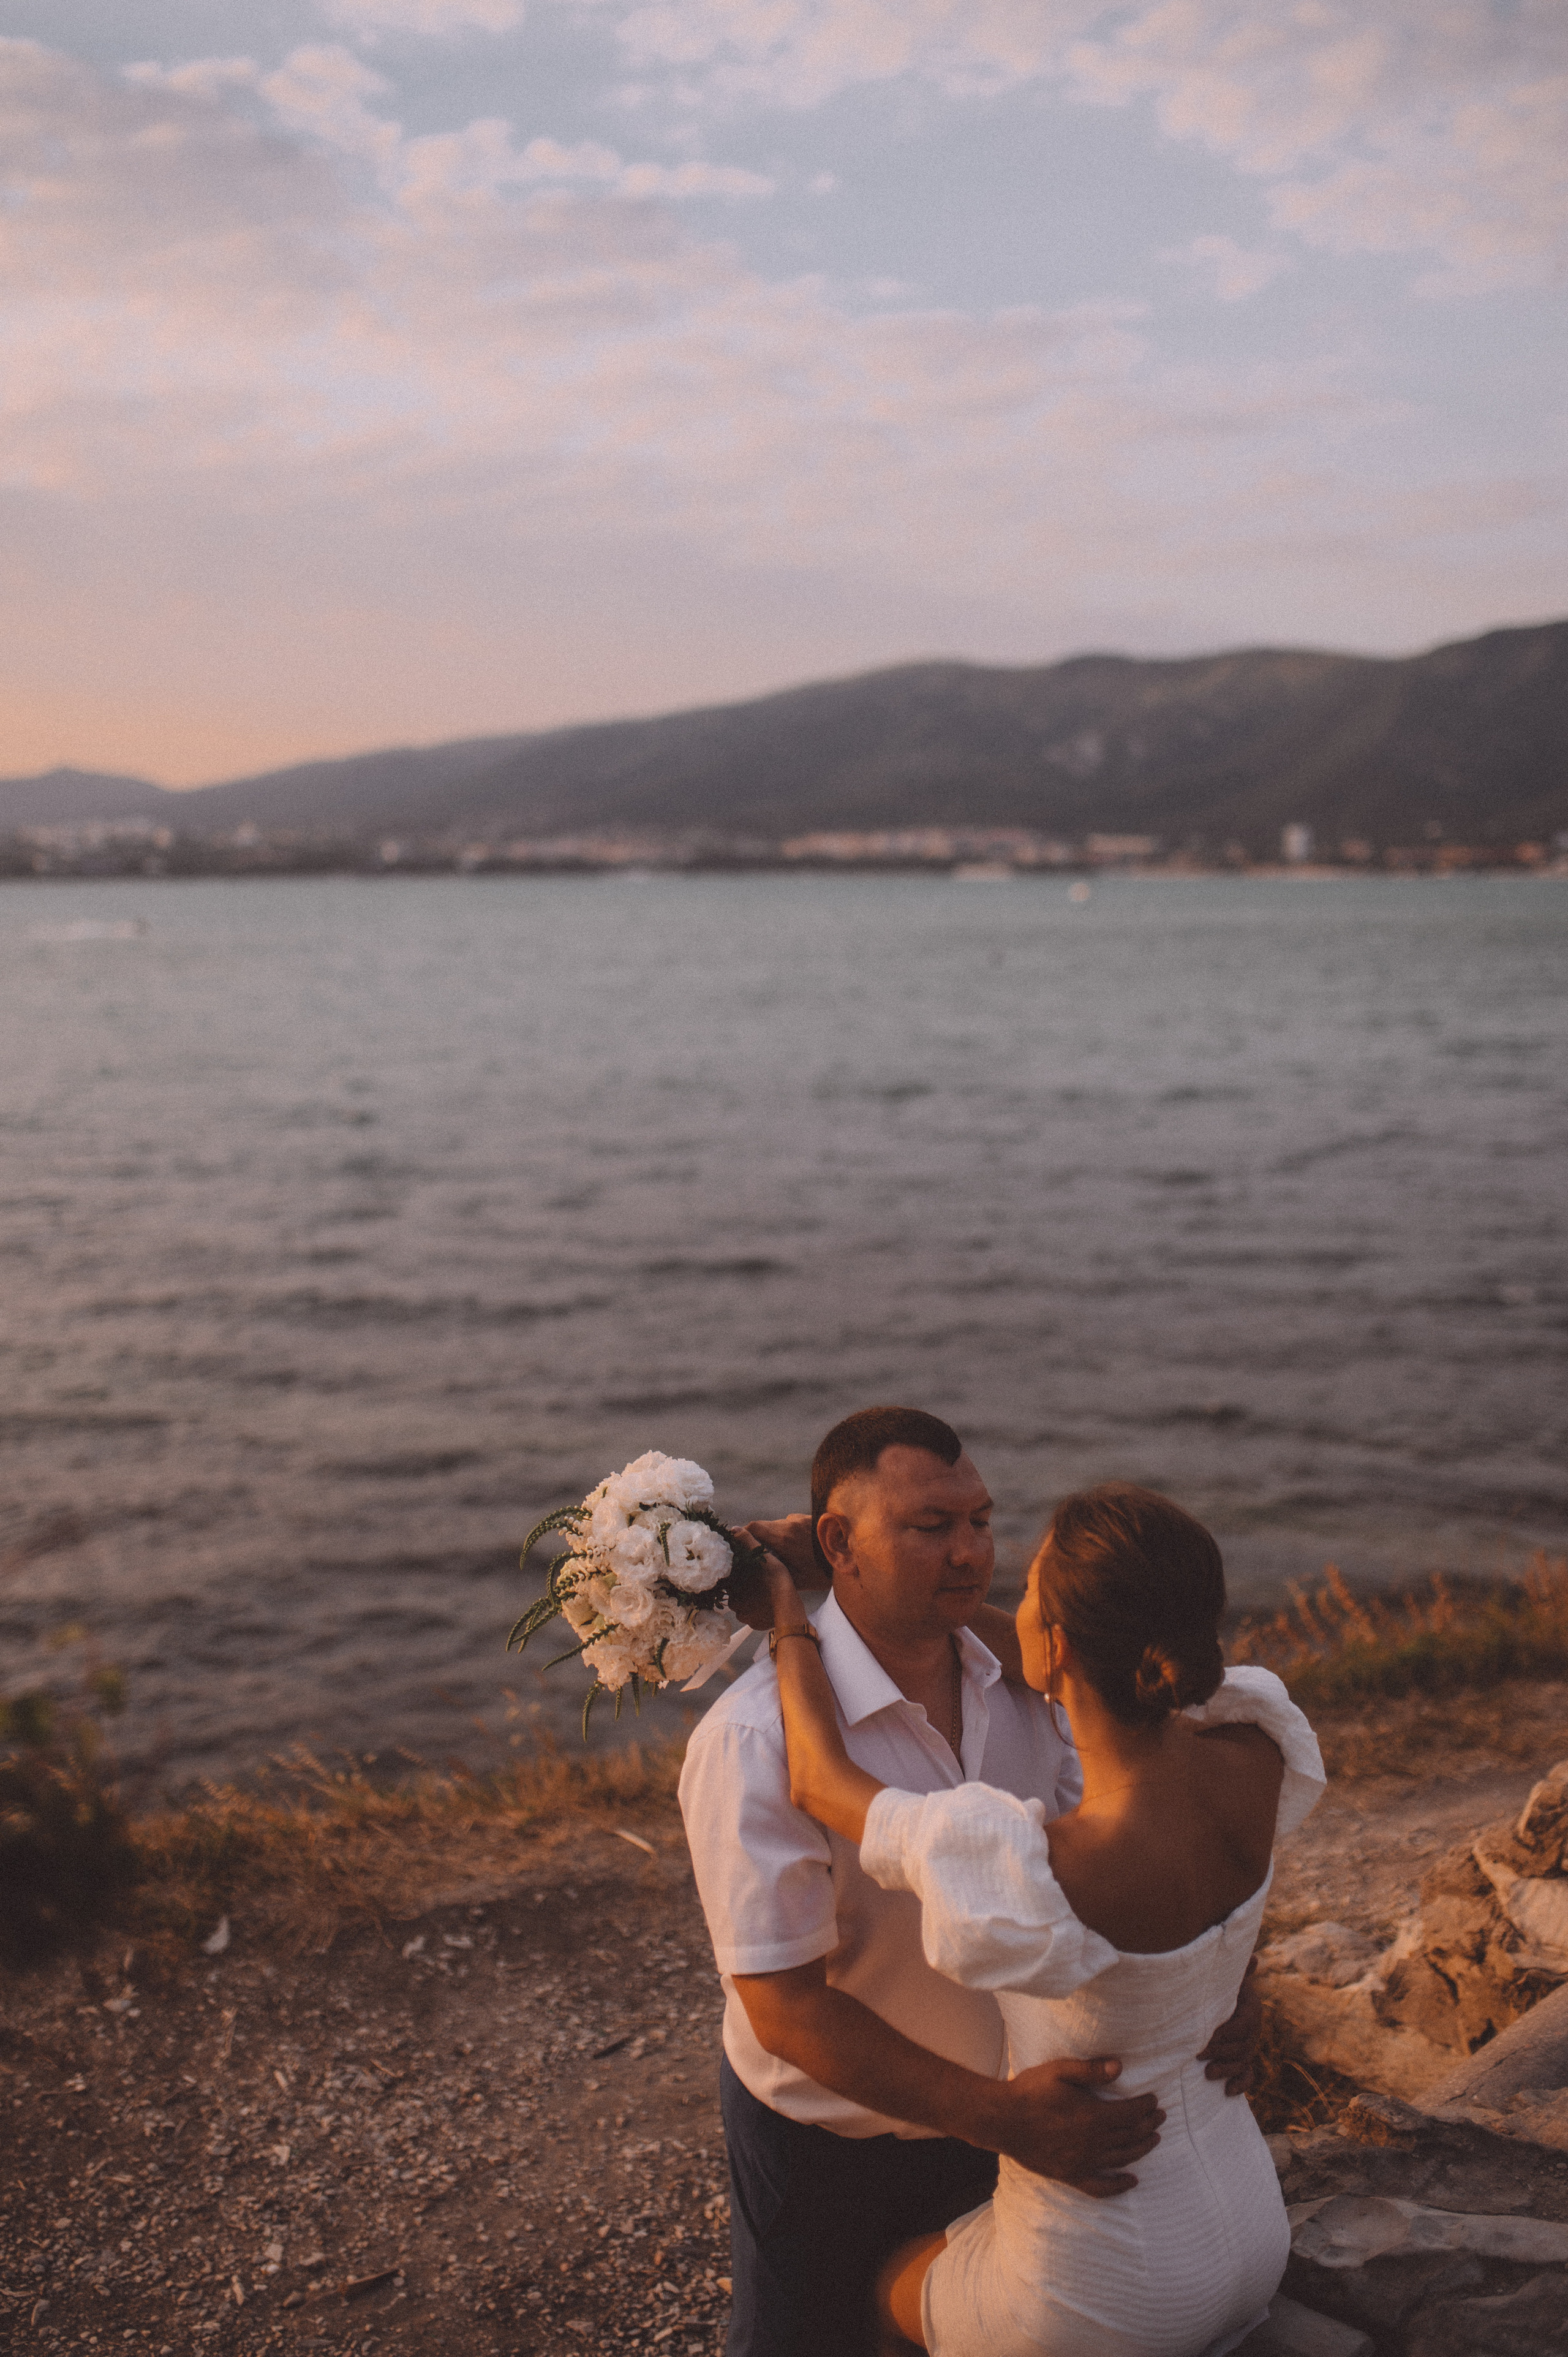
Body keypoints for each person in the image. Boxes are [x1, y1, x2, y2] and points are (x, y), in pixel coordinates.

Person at [678, 1408, 1264, 2357]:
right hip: (836, 2142)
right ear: (839, 1545)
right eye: (931, 1526)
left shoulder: (1045, 1683)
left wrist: (1229, 1982)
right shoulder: (752, 1741)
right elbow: (785, 2008)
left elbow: (1162, 1834)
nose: (971, 1553)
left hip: (1021, 2129)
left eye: (983, 1522)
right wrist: (999, 2117)